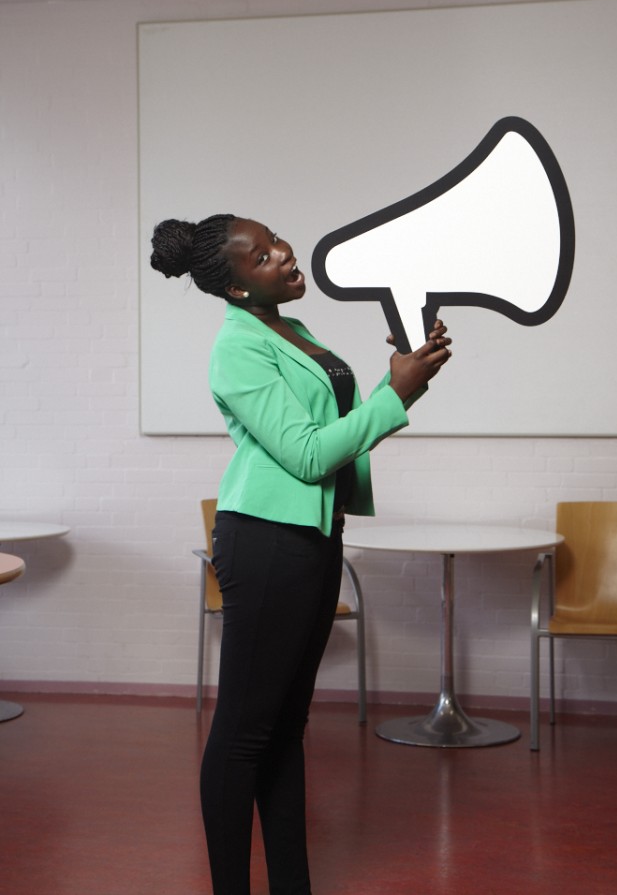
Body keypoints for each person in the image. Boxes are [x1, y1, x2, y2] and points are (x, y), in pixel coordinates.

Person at [150, 214, 451, 895]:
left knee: (284, 729)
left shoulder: (290, 329)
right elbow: (308, 454)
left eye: (276, 239)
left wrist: (406, 379)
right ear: (233, 288)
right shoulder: (237, 349)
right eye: (260, 255)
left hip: (312, 537)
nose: (283, 254)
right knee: (243, 731)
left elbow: (333, 431)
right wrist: (394, 394)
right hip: (265, 540)